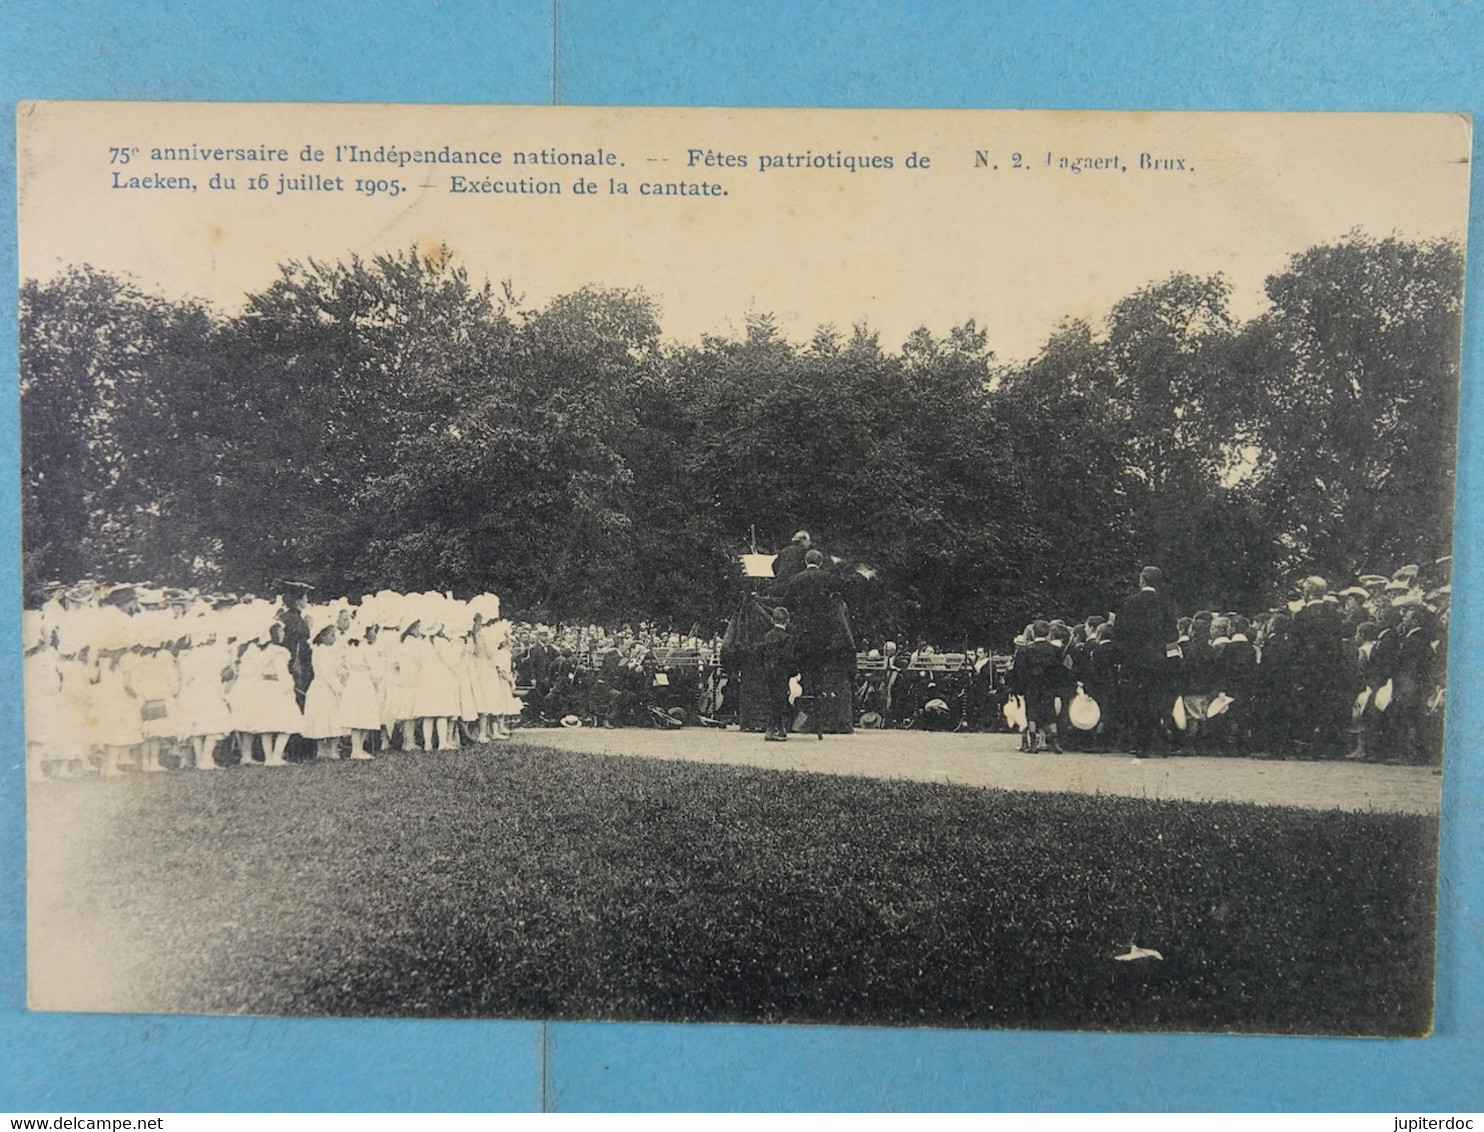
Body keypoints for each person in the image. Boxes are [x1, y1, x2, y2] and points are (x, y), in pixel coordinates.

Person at [1112, 566, 1180, 756]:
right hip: (1158, 659)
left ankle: (1142, 744)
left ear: (1142, 580)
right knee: (1155, 700)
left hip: (1134, 660)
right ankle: (1159, 735)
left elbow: (1118, 633)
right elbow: (1173, 633)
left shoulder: (1128, 603)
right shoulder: (1166, 603)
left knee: (1137, 701)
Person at [761, 607, 796, 741]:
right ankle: (770, 731)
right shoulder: (787, 638)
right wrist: (794, 672)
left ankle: (781, 729)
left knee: (775, 698)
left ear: (773, 620)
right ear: (787, 620)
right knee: (779, 701)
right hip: (781, 673)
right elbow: (788, 658)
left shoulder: (767, 636)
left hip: (769, 671)